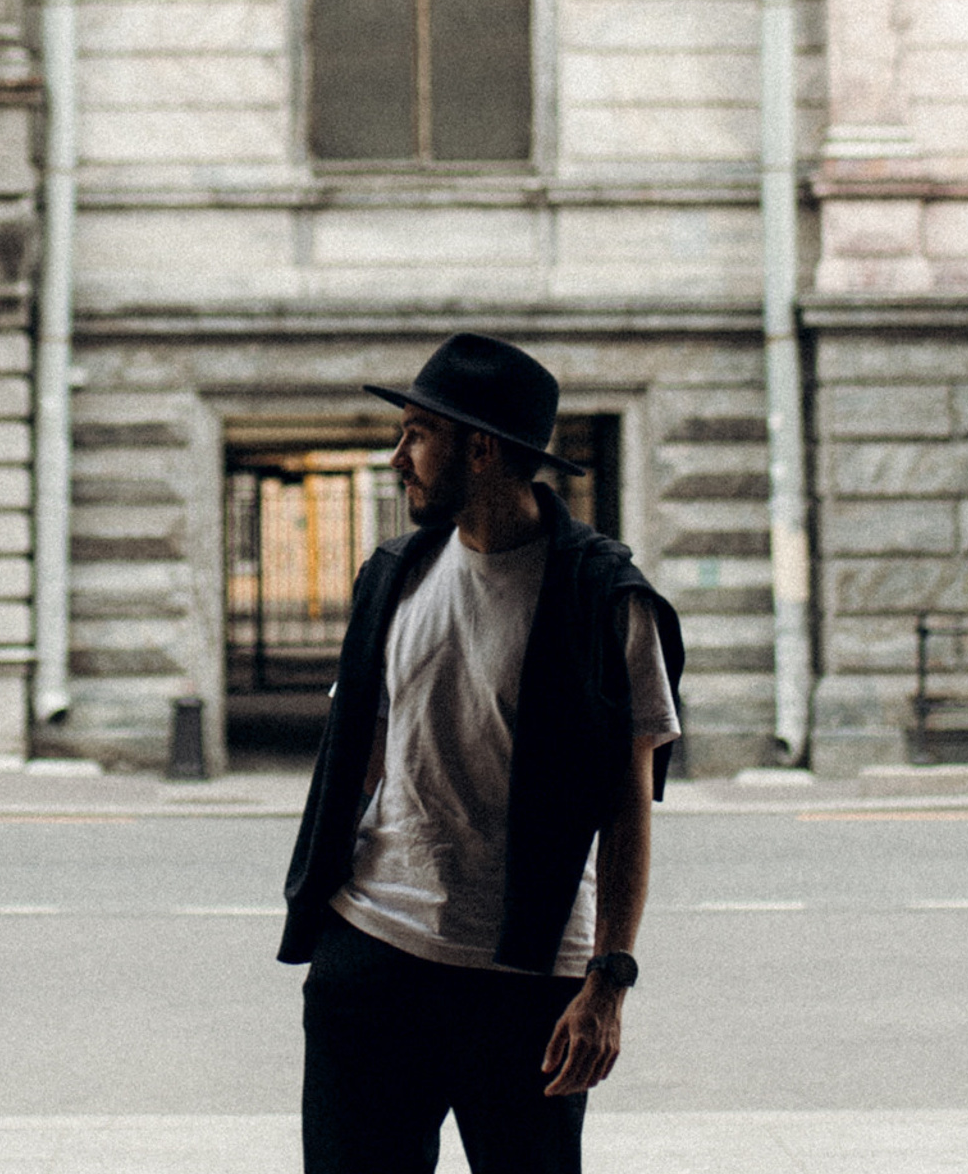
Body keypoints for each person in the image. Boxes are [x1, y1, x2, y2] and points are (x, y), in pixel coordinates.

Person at [280, 333, 684, 1174]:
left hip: (527, 983)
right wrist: (328, 941)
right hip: (371, 959)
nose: (398, 457)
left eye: (417, 434)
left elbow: (626, 804)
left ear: (482, 447)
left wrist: (608, 982)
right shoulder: (392, 575)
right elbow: (363, 758)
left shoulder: (604, 600)